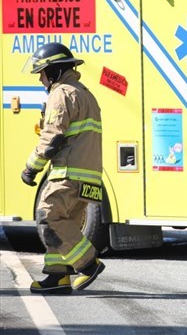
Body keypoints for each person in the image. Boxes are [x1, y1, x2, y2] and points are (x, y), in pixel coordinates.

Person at [21, 43, 105, 294]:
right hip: (88, 177)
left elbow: (52, 138)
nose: (40, 79)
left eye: (42, 73)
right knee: (64, 222)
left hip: (68, 173)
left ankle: (88, 264)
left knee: (48, 216)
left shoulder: (61, 93)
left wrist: (31, 167)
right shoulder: (85, 93)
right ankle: (57, 276)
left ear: (54, 71)